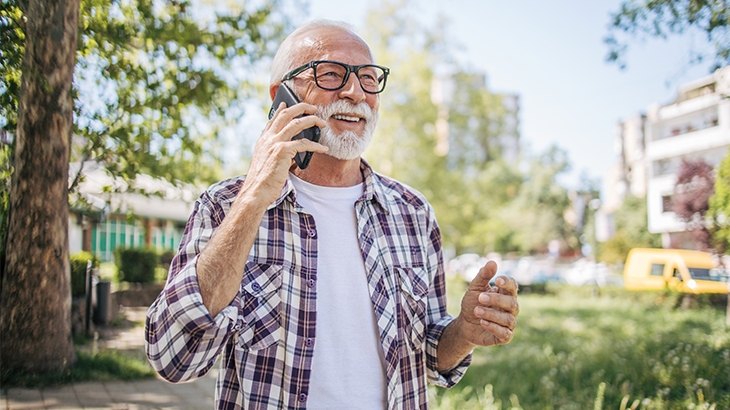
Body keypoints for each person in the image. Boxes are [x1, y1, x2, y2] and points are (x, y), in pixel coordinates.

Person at [145, 19, 520, 410]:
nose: (355, 91)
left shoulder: (412, 213)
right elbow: (174, 358)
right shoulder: (224, 205)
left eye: (369, 78)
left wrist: (465, 332)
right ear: (282, 95)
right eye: (331, 74)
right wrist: (254, 196)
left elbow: (428, 355)